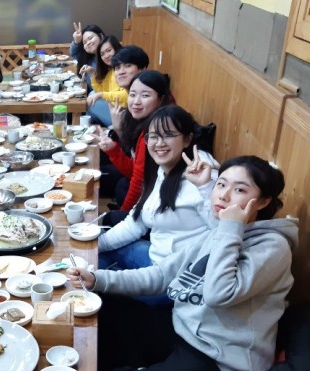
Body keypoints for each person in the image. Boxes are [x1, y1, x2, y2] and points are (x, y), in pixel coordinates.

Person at [68, 156, 296, 371]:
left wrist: (230, 229)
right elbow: (162, 275)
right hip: (185, 331)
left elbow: (218, 294)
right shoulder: (219, 231)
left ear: (262, 201)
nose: (223, 195)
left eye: (239, 189)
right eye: (221, 184)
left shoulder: (272, 247)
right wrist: (98, 279)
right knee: (106, 306)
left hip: (221, 360)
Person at [98, 105, 218, 273]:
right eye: (154, 136)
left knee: (96, 266)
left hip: (174, 274)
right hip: (155, 256)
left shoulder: (204, 178)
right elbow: (135, 223)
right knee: (92, 251)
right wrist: (98, 244)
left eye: (169, 135)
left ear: (187, 139)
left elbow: (222, 231)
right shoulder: (163, 169)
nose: (160, 143)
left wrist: (206, 188)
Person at [97, 70, 174, 212]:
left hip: (160, 201)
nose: (136, 101)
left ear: (161, 99)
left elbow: (139, 180)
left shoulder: (154, 133)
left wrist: (124, 216)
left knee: (111, 210)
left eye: (145, 95)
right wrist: (113, 149)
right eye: (132, 95)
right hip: (149, 189)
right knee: (122, 185)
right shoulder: (142, 122)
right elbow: (135, 170)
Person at [85, 35, 126, 126]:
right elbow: (101, 90)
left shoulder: (123, 70)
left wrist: (101, 94)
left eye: (109, 50)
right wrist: (92, 74)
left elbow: (127, 96)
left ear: (117, 48)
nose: (106, 56)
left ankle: (89, 127)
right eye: (102, 54)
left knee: (92, 103)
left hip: (124, 112)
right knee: (92, 95)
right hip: (115, 106)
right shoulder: (111, 70)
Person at [70, 23, 104, 89]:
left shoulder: (108, 58)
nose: (88, 43)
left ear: (101, 36)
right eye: (84, 42)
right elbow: (74, 53)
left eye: (90, 38)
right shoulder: (89, 58)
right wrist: (77, 41)